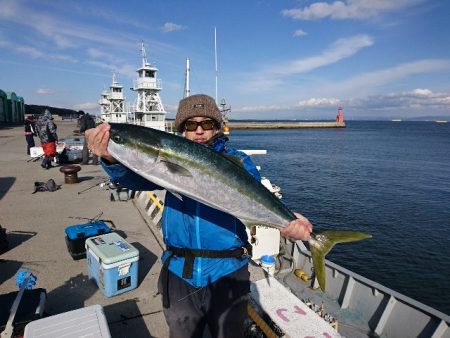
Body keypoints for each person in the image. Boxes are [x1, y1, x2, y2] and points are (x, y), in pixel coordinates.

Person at [85, 94, 313, 338]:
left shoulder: (238, 161)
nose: (200, 131)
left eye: (208, 124)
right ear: (182, 130)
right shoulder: (159, 163)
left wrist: (287, 219)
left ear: (217, 126)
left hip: (228, 270)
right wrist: (110, 156)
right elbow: (131, 177)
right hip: (180, 269)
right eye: (191, 125)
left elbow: (254, 195)